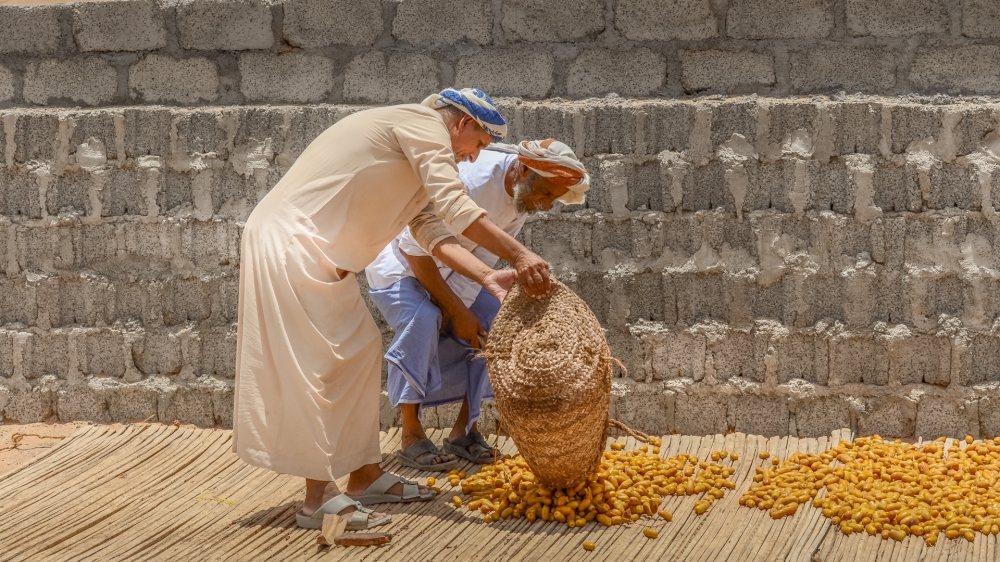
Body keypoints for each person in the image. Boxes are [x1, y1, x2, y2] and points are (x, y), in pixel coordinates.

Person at [232, 88, 552, 531]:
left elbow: (427, 225)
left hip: (321, 258)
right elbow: (458, 207)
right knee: (316, 365)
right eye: (477, 144)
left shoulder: (417, 143)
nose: (473, 156)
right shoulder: (422, 125)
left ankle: (365, 475)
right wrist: (519, 257)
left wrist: (486, 275)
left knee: (360, 350)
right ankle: (318, 498)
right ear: (462, 124)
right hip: (291, 245)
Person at [365, 139, 590, 470]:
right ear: (524, 169)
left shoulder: (519, 200)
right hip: (401, 266)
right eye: (544, 194)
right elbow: (415, 249)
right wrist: (454, 310)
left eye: (551, 200)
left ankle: (464, 431)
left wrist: (463, 311)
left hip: (452, 270)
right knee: (424, 317)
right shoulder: (469, 181)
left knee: (495, 320)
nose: (543, 205)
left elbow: (479, 261)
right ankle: (411, 433)